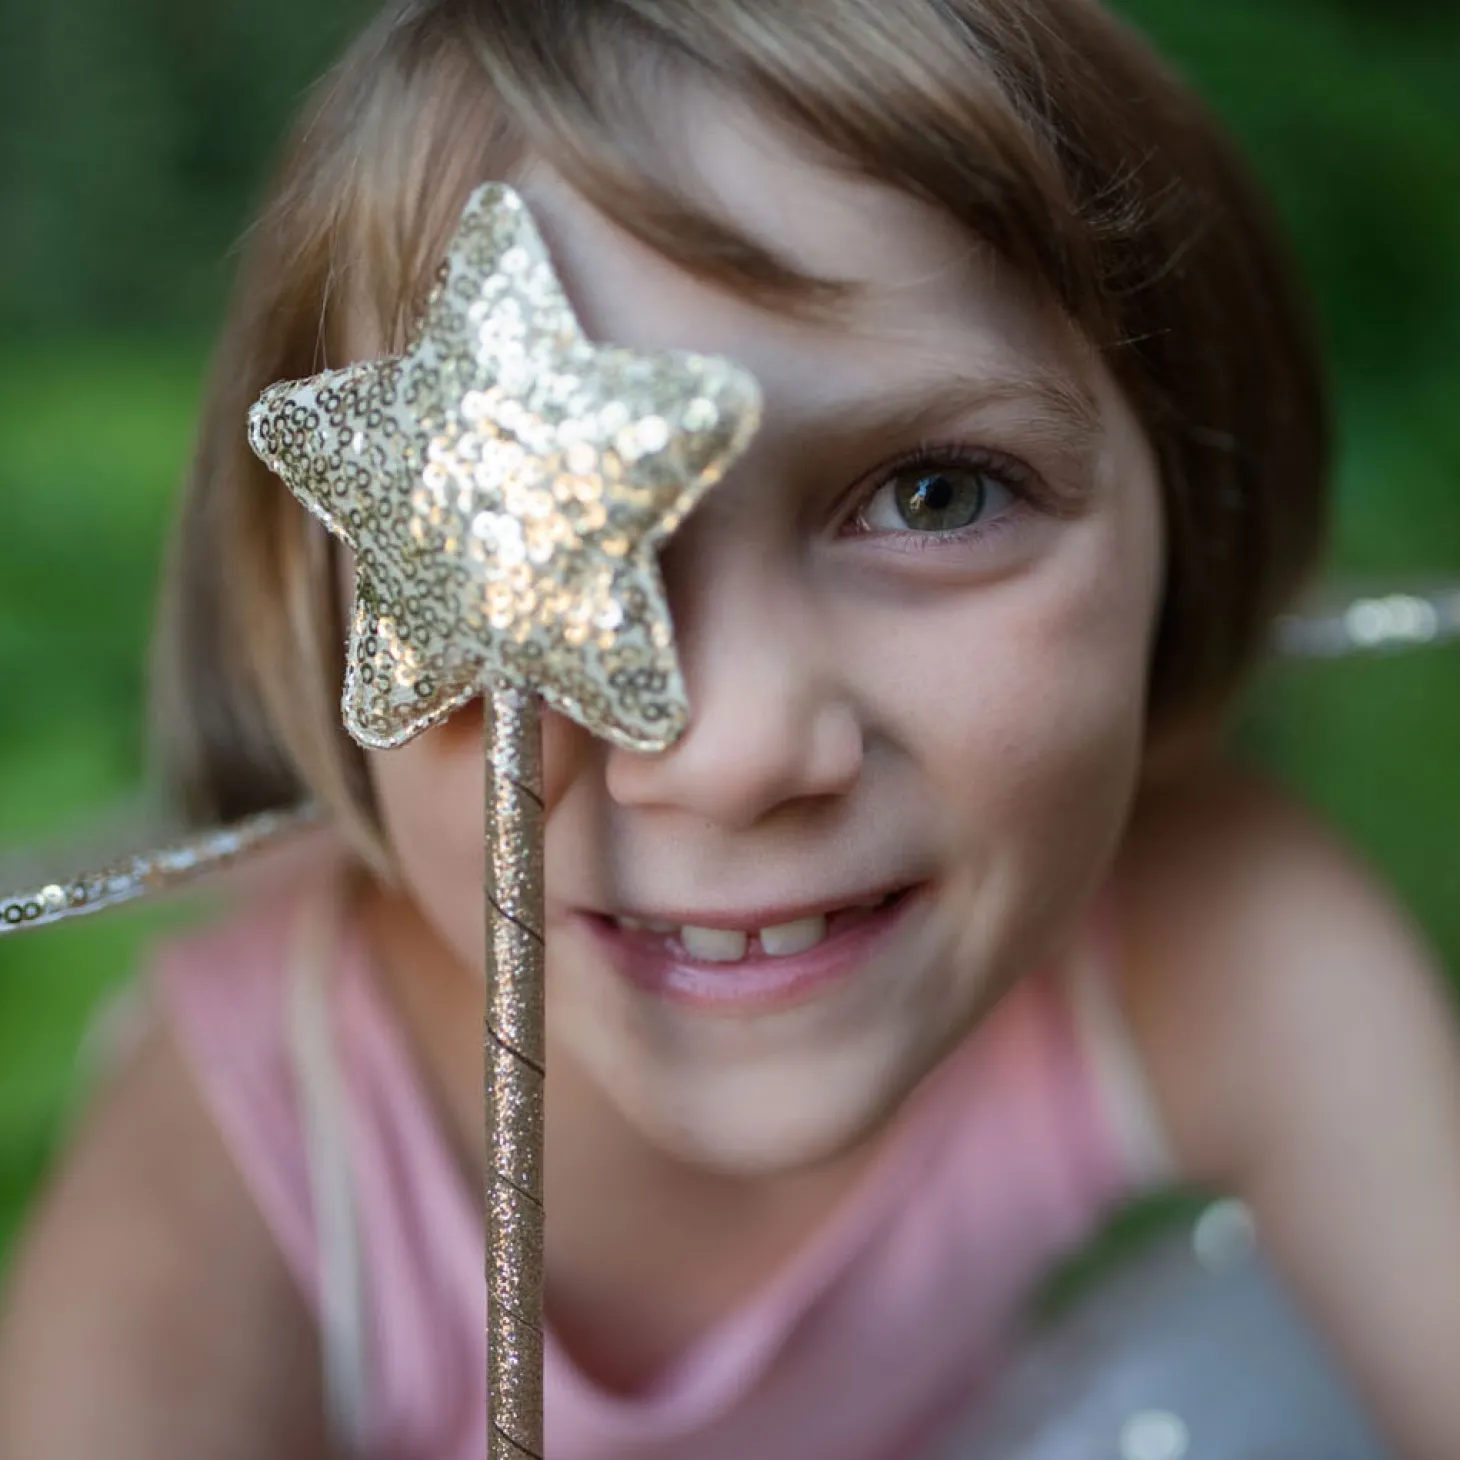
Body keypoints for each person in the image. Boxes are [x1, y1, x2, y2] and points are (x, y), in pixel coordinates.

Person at [2, 1, 1459, 1456]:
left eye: (938, 494)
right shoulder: (239, 1182)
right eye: (520, 536)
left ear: (1189, 514)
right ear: (321, 608)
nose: (739, 751)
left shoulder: (1203, 945)